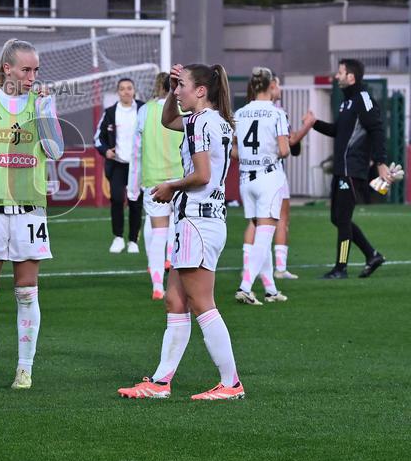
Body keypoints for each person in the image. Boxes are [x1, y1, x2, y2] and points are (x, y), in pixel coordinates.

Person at [118, 63, 244, 400]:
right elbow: (167, 120)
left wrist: (171, 185)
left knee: (203, 304)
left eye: (183, 86)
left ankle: (231, 383)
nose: (177, 91)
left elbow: (202, 174)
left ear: (201, 91)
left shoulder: (203, 122)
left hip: (198, 221)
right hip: (200, 220)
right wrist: (174, 86)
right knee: (175, 299)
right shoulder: (210, 120)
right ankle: (160, 382)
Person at [0, 39, 64, 391]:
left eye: (36, 70)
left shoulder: (41, 104)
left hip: (30, 212)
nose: (32, 76)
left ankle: (24, 369)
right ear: (7, 69)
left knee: (27, 293)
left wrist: (47, 110)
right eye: (26, 69)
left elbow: (54, 151)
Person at [304, 59, 392, 279]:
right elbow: (338, 131)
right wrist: (314, 123)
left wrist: (381, 162)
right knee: (337, 218)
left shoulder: (363, 98)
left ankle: (340, 268)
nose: (336, 76)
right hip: (341, 169)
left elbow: (377, 129)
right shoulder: (346, 103)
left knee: (342, 219)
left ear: (350, 77)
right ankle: (372, 255)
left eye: (340, 72)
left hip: (353, 169)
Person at [235, 68, 315, 302]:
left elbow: (234, 151)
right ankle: (245, 286)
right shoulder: (277, 113)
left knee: (261, 231)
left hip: (245, 179)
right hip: (269, 177)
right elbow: (283, 149)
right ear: (270, 87)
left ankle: (270, 289)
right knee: (264, 235)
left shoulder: (240, 113)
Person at [126, 72, 183, 300]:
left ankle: (157, 285)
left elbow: (136, 151)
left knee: (158, 234)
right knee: (180, 232)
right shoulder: (184, 109)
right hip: (181, 180)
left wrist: (133, 185)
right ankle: (179, 283)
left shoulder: (145, 111)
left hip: (153, 180)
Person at [95, 78, 145, 254]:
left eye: (129, 88)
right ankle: (118, 238)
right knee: (116, 199)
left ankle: (133, 241)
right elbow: (97, 137)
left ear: (134, 90)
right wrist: (106, 151)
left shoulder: (142, 109)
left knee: (135, 203)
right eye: (122, 89)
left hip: (137, 165)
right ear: (118, 92)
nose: (126, 92)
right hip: (117, 164)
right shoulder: (110, 112)